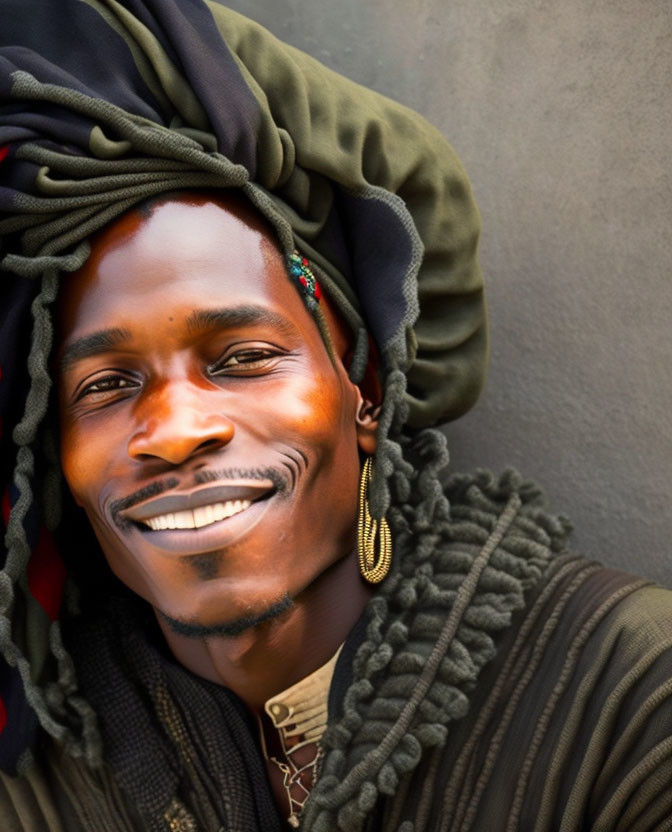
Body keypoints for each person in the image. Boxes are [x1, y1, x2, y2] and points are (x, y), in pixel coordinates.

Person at [1, 2, 671, 831]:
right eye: (104, 385)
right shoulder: (45, 780)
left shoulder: (628, 704)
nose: (175, 429)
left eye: (243, 358)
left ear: (367, 393)